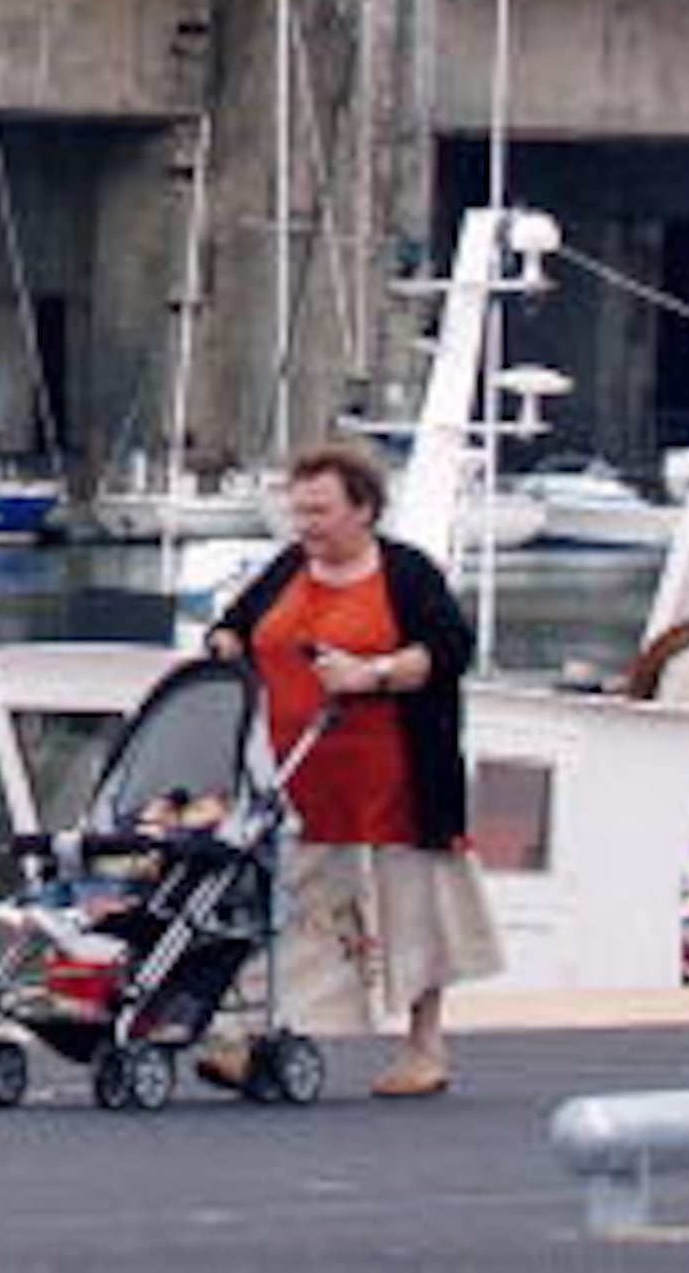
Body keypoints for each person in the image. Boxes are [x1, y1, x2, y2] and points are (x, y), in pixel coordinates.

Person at [198, 441, 500, 1097]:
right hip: (296, 779)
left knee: (412, 908)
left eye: (320, 511)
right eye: (299, 510)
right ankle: (253, 1035)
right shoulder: (287, 566)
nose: (306, 524)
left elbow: (449, 651)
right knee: (284, 908)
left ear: (363, 509)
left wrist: (373, 673)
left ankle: (424, 1049)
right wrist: (223, 646)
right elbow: (236, 626)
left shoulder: (407, 573)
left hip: (395, 781)